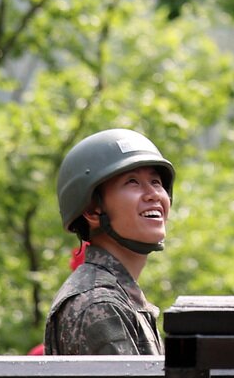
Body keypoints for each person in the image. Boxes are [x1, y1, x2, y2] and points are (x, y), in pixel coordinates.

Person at [44, 128, 174, 355]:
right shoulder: (100, 303)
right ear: (93, 210)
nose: (153, 194)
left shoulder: (118, 296)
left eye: (155, 181)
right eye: (132, 182)